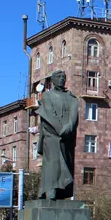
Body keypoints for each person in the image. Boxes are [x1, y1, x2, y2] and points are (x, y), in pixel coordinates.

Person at [36, 70, 79, 200]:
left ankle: (61, 190)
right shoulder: (47, 96)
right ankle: (50, 189)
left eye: (63, 77)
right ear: (53, 80)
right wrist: (60, 130)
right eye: (59, 77)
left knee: (66, 161)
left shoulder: (72, 98)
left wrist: (70, 127)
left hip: (67, 137)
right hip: (52, 135)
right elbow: (49, 114)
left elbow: (74, 116)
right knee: (52, 162)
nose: (61, 79)